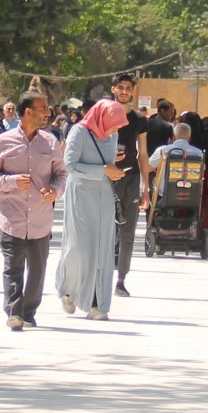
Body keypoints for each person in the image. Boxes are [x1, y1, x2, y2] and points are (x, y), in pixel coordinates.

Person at [0, 91, 67, 330]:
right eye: (43, 108)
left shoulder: (50, 142)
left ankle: (29, 312)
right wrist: (10, 181)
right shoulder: (3, 141)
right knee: (13, 268)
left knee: (37, 270)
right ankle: (14, 312)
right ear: (28, 112)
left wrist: (55, 191)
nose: (47, 112)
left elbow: (61, 174)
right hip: (11, 217)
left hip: (41, 218)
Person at [55, 99, 130, 320]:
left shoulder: (112, 135)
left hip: (103, 193)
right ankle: (68, 289)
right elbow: (70, 165)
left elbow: (105, 162)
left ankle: (99, 304)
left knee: (103, 248)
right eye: (114, 125)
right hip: (80, 193)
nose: (115, 130)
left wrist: (112, 164)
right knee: (79, 246)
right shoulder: (78, 132)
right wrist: (103, 169)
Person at [107, 73, 149, 297]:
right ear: (113, 89)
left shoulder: (139, 119)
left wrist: (145, 187)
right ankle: (101, 275)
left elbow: (143, 153)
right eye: (120, 87)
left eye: (128, 88)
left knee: (128, 231)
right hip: (107, 178)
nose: (124, 91)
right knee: (105, 229)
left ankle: (121, 279)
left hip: (131, 178)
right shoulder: (103, 114)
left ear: (133, 91)